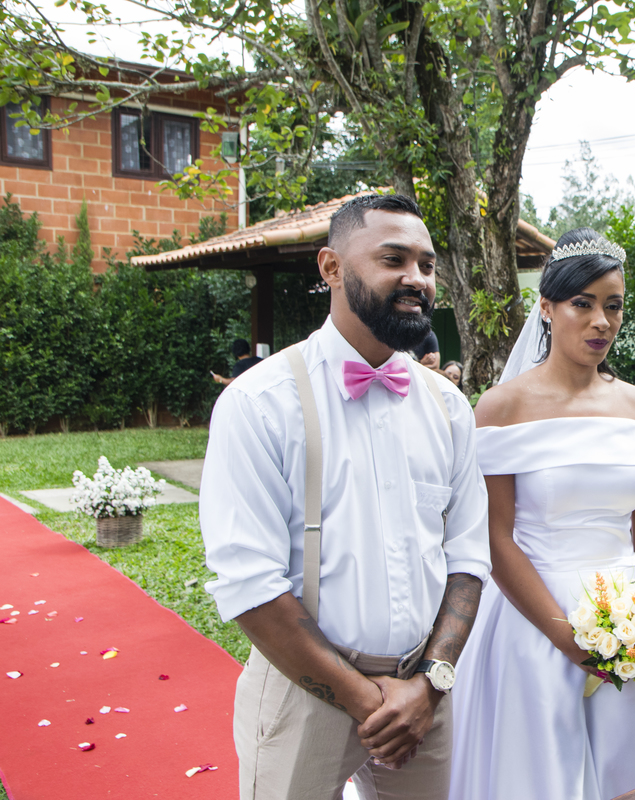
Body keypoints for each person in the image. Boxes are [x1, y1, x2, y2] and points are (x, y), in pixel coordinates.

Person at [199, 193, 490, 800]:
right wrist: (366, 700)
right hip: (302, 692)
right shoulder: (259, 403)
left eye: (427, 265)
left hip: (422, 692)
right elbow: (249, 583)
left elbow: (467, 558)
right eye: (393, 259)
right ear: (331, 268)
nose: (416, 278)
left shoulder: (448, 408)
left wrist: (428, 685)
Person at [448, 228, 635, 800]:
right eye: (583, 303)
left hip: (630, 628)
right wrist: (565, 637)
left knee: (624, 771)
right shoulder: (503, 407)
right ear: (546, 308)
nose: (602, 321)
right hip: (535, 620)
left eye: (613, 306)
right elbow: (495, 537)